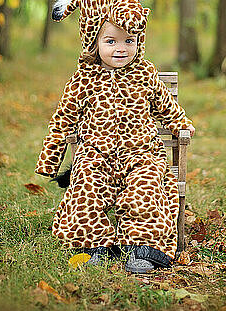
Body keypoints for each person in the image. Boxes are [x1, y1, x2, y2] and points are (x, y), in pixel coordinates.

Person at [35, 19, 195, 273]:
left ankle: (144, 248)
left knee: (146, 189)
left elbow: (166, 105)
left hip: (141, 153)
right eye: (110, 41)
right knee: (86, 186)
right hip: (96, 154)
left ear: (138, 42)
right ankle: (94, 245)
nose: (120, 48)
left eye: (128, 41)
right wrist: (50, 159)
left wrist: (180, 123)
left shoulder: (145, 73)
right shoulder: (83, 78)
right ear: (94, 43)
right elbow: (64, 117)